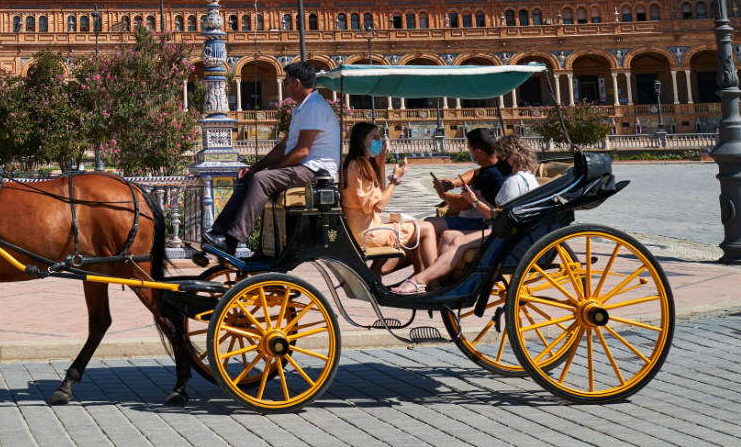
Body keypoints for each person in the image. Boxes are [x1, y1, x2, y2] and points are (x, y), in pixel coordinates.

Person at [203, 61, 339, 259]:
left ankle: (233, 240)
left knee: (261, 180)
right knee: (250, 177)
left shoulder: (314, 108)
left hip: (315, 171)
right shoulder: (302, 108)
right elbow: (284, 147)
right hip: (305, 166)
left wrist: (268, 170)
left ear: (297, 83)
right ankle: (218, 234)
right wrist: (254, 168)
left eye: (286, 82)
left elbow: (301, 152)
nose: (285, 86)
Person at [396, 133, 541, 293]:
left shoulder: (512, 182)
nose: (499, 161)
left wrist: (475, 201)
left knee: (458, 241)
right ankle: (439, 282)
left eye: (501, 157)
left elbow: (500, 218)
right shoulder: (528, 177)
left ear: (512, 156)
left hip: (504, 233)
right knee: (448, 236)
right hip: (509, 229)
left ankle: (421, 279)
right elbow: (500, 211)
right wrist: (477, 198)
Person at [339, 121, 418, 274]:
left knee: (416, 226)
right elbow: (379, 206)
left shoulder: (357, 163)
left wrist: (380, 164)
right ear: (363, 140)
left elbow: (378, 196)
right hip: (367, 232)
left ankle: (376, 273)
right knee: (426, 229)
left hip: (361, 227)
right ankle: (427, 282)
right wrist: (394, 180)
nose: (379, 141)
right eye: (374, 137)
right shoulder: (359, 166)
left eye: (379, 137)